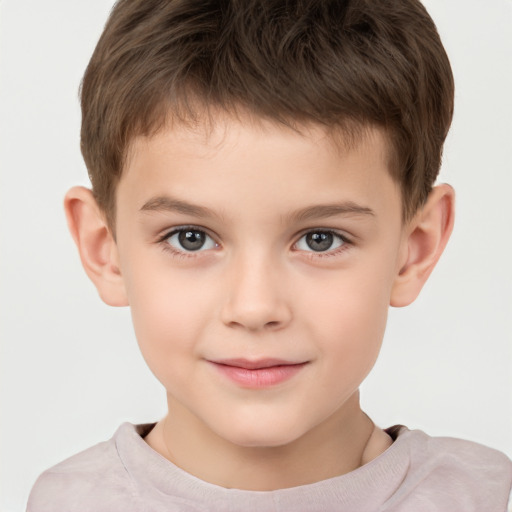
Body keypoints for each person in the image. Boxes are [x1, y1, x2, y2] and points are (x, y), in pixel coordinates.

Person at [26, 0, 512, 510]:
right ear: (106, 250)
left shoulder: (487, 498)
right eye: (190, 237)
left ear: (414, 250)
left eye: (320, 239)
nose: (255, 308)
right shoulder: (65, 501)